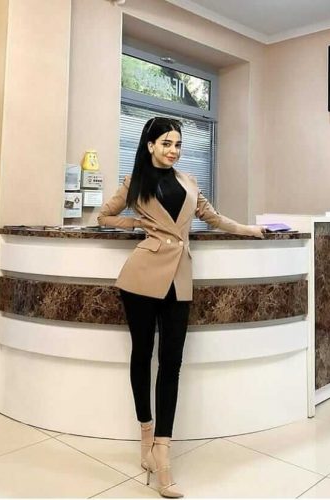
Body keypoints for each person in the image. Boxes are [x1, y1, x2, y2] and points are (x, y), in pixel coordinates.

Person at [97, 117, 265, 498]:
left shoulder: (189, 182)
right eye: (166, 143)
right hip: (141, 277)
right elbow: (103, 216)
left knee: (171, 363)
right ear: (150, 146)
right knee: (143, 355)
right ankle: (146, 438)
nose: (173, 150)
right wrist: (136, 224)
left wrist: (249, 229)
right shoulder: (134, 182)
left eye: (177, 144)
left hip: (179, 280)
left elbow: (214, 218)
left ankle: (163, 449)